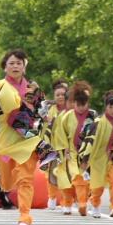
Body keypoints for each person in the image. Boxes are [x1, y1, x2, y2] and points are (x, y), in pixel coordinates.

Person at [0, 49, 43, 225]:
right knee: (8, 183)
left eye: (19, 63)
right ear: (5, 67)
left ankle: (25, 216)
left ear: (25, 66)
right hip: (6, 142)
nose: (15, 66)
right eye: (11, 63)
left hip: (28, 140)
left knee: (25, 179)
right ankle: (6, 182)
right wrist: (10, 111)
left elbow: (40, 111)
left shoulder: (33, 88)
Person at [78, 90, 113, 218]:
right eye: (111, 107)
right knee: (98, 186)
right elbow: (89, 142)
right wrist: (85, 159)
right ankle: (95, 204)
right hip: (98, 157)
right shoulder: (98, 122)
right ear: (106, 107)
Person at [54, 81, 96, 216]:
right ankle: (67, 202)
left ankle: (82, 202)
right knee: (67, 180)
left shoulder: (93, 116)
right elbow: (60, 133)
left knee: (84, 180)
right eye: (78, 104)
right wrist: (64, 148)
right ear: (74, 102)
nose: (81, 108)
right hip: (71, 153)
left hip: (87, 154)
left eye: (84, 105)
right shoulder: (67, 116)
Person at [44, 80, 69, 211]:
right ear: (54, 97)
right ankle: (52, 197)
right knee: (52, 174)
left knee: (66, 175)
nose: (60, 97)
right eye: (57, 95)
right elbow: (45, 128)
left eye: (62, 94)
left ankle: (66, 201)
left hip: (67, 148)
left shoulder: (71, 110)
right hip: (53, 147)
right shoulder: (49, 110)